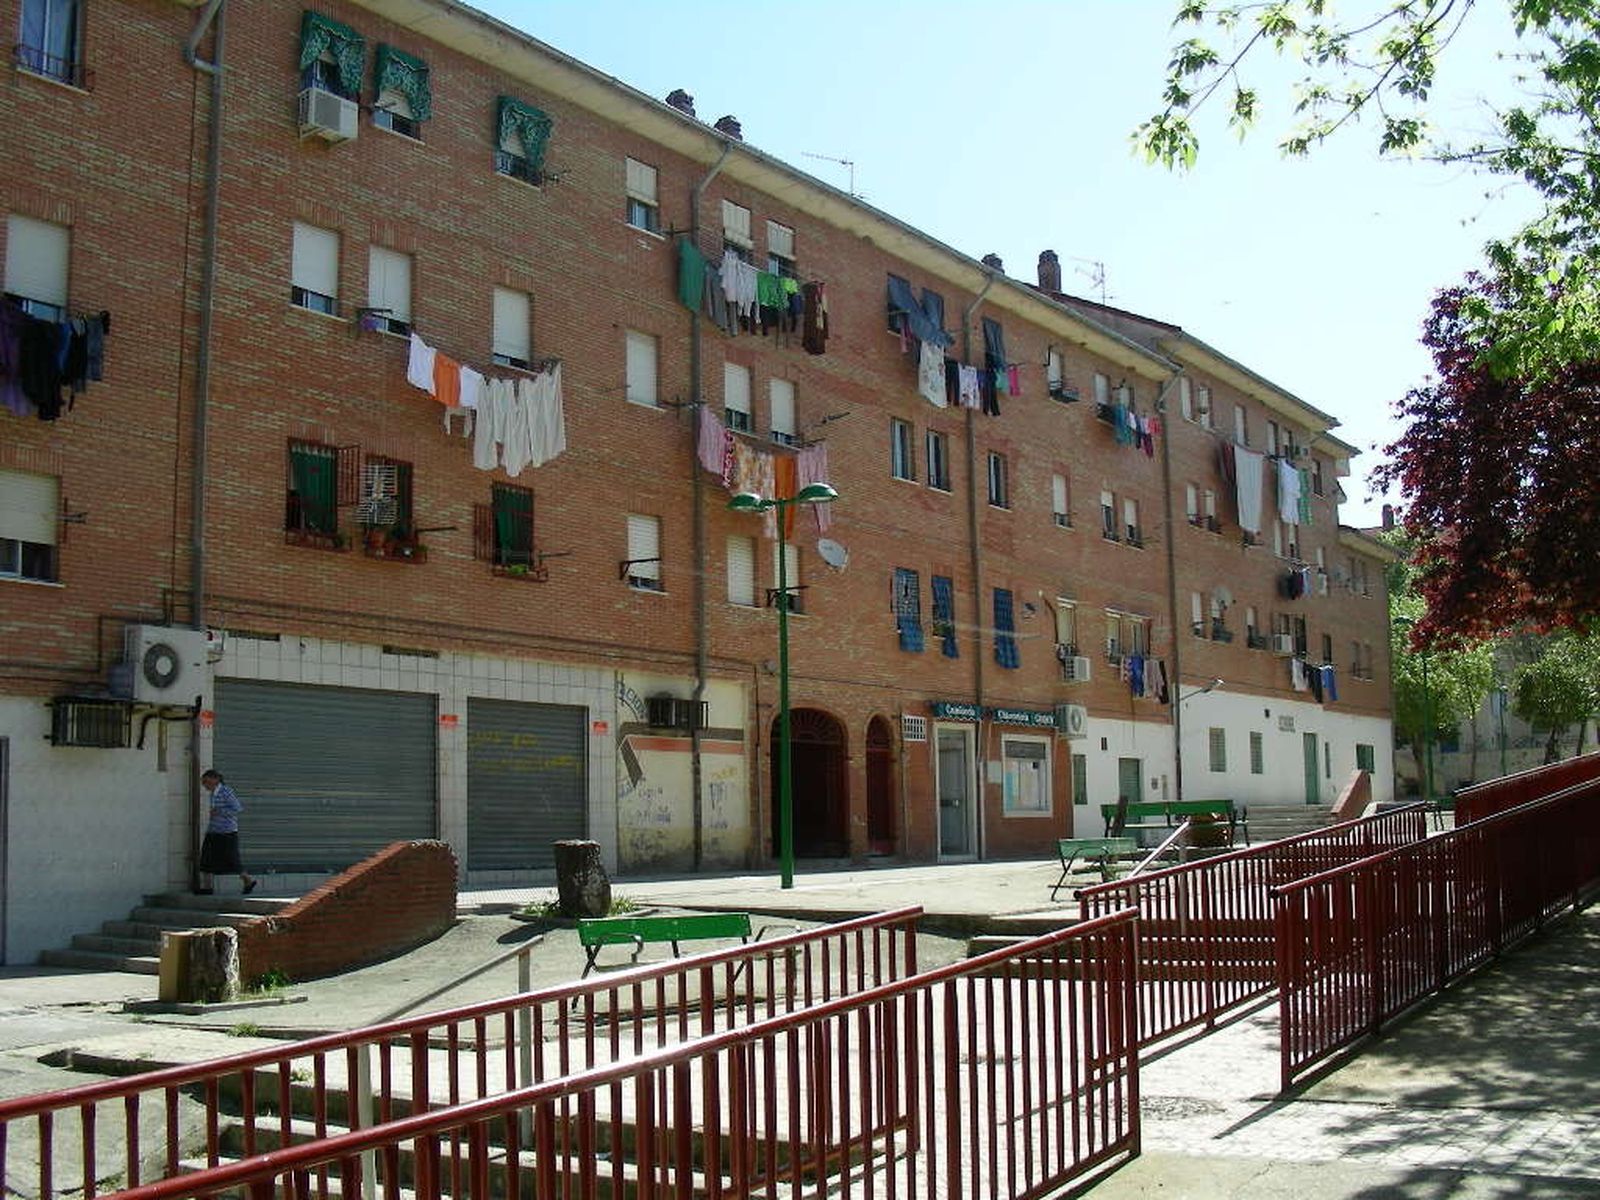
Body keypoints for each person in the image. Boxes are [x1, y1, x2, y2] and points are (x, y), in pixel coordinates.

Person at [197, 769, 258, 895]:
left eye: (206, 782)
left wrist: (219, 812)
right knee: (206, 858)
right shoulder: (213, 793)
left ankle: (248, 881)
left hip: (227, 832)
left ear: (215, 780)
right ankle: (207, 887)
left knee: (232, 859)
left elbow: (237, 808)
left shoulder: (226, 791)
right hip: (213, 830)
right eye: (203, 783)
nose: (205, 785)